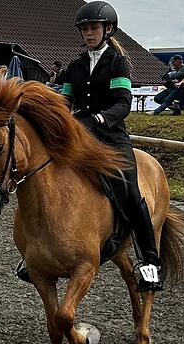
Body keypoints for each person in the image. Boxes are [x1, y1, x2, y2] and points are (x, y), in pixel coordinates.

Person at [52, 1, 162, 291]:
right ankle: (39, 253)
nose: (88, 33)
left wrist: (96, 120)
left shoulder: (117, 62)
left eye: (93, 28)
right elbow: (65, 102)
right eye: (85, 29)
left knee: (130, 190)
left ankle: (149, 261)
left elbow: (123, 104)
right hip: (79, 137)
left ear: (107, 29)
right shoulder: (74, 65)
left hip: (111, 137)